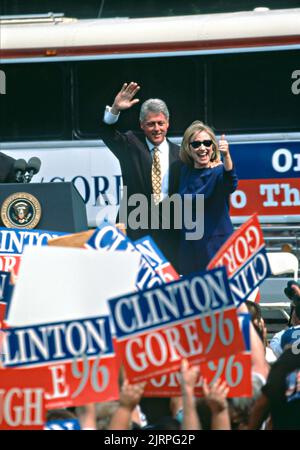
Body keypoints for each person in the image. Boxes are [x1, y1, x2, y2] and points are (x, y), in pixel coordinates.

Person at [99, 82, 181, 269]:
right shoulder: (131, 144)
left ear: (168, 124)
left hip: (170, 229)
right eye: (151, 124)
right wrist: (114, 110)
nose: (157, 129)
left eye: (161, 123)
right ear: (142, 125)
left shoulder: (181, 154)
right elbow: (106, 133)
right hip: (136, 227)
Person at [178, 121, 238, 274]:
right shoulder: (184, 172)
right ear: (188, 148)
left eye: (207, 143)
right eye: (196, 144)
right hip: (191, 249)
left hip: (217, 247)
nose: (202, 148)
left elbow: (231, 183)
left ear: (213, 146)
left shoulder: (218, 170)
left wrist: (226, 156)